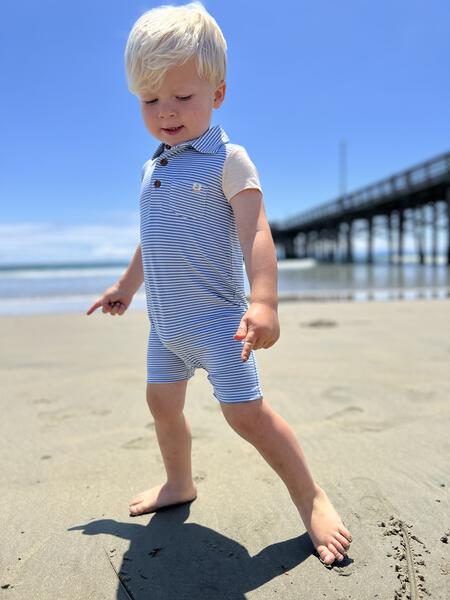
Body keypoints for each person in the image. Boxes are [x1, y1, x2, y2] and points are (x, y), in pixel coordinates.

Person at [86, 1, 352, 566]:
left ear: (219, 93)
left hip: (219, 321)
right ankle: (178, 482)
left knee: (246, 416)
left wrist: (265, 302)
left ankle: (311, 497)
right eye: (150, 100)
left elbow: (257, 233)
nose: (167, 112)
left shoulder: (229, 160)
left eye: (183, 97)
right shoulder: (152, 167)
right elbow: (149, 238)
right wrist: (126, 288)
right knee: (161, 404)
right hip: (168, 324)